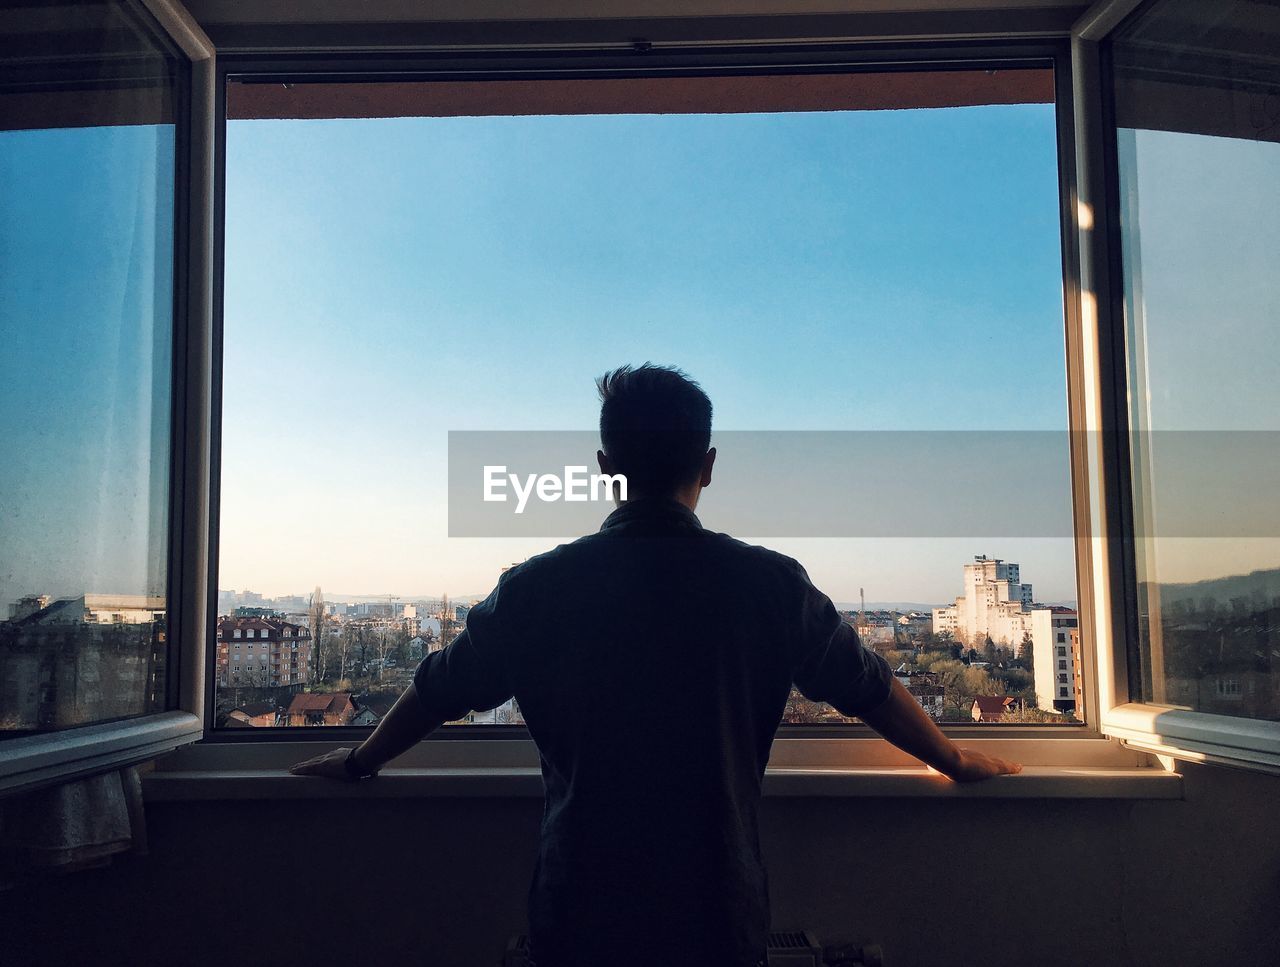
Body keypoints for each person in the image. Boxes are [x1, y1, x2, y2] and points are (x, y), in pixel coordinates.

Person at [290, 363, 1020, 967]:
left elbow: (437, 688)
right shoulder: (768, 586)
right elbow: (870, 687)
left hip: (580, 908)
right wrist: (952, 756)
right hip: (716, 909)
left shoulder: (539, 588)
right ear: (707, 465)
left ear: (606, 468)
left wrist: (360, 760)